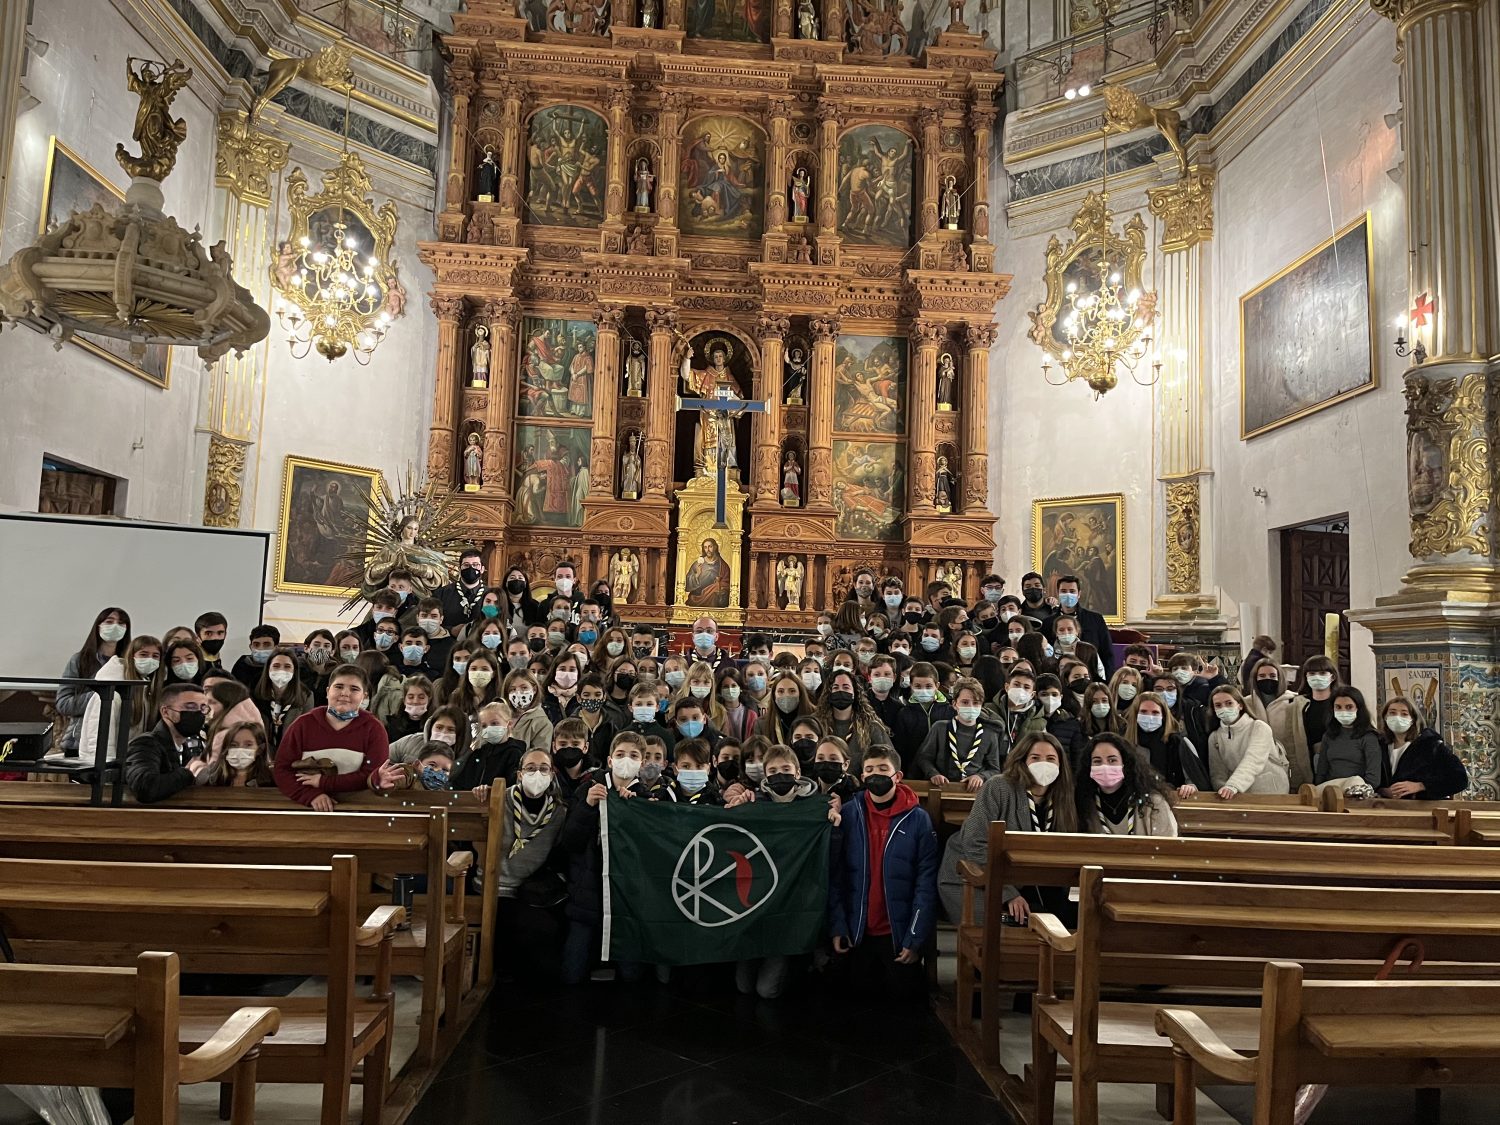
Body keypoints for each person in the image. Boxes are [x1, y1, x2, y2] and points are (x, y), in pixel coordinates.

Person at [828, 745, 938, 999]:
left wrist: (914, 937)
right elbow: (837, 876)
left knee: (904, 1003)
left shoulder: (918, 819)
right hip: (857, 930)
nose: (875, 775)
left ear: (897, 776)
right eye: (869, 770)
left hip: (896, 932)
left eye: (882, 769)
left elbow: (926, 882)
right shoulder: (849, 813)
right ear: (863, 777)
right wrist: (838, 926)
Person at [937, 733, 1077, 924]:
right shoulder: (999, 787)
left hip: (1031, 879)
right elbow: (974, 842)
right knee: (1012, 921)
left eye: (1051, 759)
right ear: (1022, 761)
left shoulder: (1063, 797)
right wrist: (1007, 893)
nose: (1043, 763)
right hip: (977, 875)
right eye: (1035, 758)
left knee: (1070, 918)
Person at [738, 744, 837, 999]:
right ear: (764, 774)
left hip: (790, 908)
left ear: (798, 771)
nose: (779, 774)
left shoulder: (814, 805)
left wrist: (834, 813)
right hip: (756, 905)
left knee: (766, 990)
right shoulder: (755, 802)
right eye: (772, 770)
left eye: (786, 769)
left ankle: (801, 966)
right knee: (743, 985)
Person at [560, 731, 651, 984]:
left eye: (633, 756)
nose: (626, 760)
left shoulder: (645, 798)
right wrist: (588, 807)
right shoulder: (587, 789)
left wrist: (635, 812)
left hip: (626, 899)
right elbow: (570, 841)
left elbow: (647, 851)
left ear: (642, 763)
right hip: (587, 893)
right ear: (609, 760)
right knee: (572, 972)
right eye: (620, 754)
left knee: (632, 976)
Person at [493, 746, 570, 978]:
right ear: (519, 774)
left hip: (530, 890)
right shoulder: (499, 799)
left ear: (552, 774)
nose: (537, 774)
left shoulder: (558, 812)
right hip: (496, 887)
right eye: (530, 768)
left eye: (543, 769)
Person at [273, 663, 392, 809]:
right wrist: (310, 795)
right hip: (306, 808)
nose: (345, 693)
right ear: (328, 691)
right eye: (339, 687)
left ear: (364, 696)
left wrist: (324, 782)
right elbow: (282, 770)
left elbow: (372, 774)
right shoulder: (303, 724)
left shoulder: (374, 729)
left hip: (358, 808)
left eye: (354, 689)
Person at [56, 608, 134, 755]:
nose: (115, 626)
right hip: (79, 742)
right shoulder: (80, 660)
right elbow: (63, 704)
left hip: (120, 741)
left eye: (121, 623)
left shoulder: (129, 664)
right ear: (98, 626)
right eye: (109, 622)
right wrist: (101, 696)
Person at [78, 632, 163, 767]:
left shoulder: (146, 690)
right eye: (143, 654)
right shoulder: (112, 692)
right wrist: (107, 768)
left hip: (131, 764)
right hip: (109, 767)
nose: (150, 659)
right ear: (131, 656)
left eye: (155, 656)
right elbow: (99, 735)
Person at [125, 682, 214, 803]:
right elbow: (145, 787)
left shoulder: (187, 747)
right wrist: (189, 772)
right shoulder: (145, 744)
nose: (198, 713)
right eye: (190, 707)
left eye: (203, 708)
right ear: (166, 712)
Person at [1076, 733, 1179, 835]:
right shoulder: (1084, 802)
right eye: (1097, 761)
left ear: (1125, 764)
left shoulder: (1153, 802)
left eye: (1112, 760)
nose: (1105, 766)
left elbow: (1168, 846)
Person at [913, 677, 1006, 789]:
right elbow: (924, 758)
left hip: (973, 792)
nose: (970, 707)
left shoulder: (989, 733)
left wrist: (981, 776)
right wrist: (933, 773)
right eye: (965, 702)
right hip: (942, 787)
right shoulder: (940, 728)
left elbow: (994, 769)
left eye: (976, 703)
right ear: (954, 704)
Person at [1265, 654, 1339, 791]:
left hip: (1338, 761)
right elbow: (1290, 739)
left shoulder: (1342, 702)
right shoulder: (1297, 705)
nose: (1317, 677)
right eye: (1312, 673)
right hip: (1308, 761)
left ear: (1332, 676)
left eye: (1322, 673)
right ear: (1306, 677)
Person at [1377, 696, 1467, 800]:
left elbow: (1460, 779)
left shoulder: (1430, 744)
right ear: (1385, 717)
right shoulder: (1379, 745)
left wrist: (1421, 786)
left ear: (1413, 719)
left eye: (1404, 714)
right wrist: (1383, 791)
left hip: (1423, 806)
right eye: (1392, 713)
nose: (1397, 717)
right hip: (1388, 808)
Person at [1207, 685, 1289, 799]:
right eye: (1218, 705)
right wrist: (1223, 791)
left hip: (1271, 792)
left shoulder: (1259, 727)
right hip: (1237, 796)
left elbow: (1253, 760)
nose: (1224, 708)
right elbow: (1217, 772)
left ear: (1240, 705)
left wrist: (1233, 785)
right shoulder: (1215, 737)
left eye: (1229, 703)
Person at [1123, 692, 1207, 799]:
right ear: (1135, 714)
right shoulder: (1124, 744)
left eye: (1155, 713)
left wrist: (1190, 787)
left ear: (1163, 716)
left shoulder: (1177, 742)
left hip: (1172, 801)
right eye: (1143, 712)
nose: (1150, 717)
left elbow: (1195, 779)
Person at [813, 668, 892, 771]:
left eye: (846, 687)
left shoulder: (871, 726)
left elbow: (890, 759)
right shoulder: (815, 724)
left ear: (855, 693)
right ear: (829, 693)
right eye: (835, 687)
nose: (840, 691)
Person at [1312, 686, 1382, 799]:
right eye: (1338, 707)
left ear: (1358, 709)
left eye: (1349, 707)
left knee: (1356, 781)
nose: (1343, 711)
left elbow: (1373, 779)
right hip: (1330, 792)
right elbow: (1321, 772)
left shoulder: (1369, 737)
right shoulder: (1328, 736)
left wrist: (1352, 792)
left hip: (1357, 794)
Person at [1043, 575, 1113, 676]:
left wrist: (1108, 682)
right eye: (1063, 591)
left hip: (1091, 676)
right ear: (1058, 593)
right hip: (1058, 677)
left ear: (1079, 594)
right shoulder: (1048, 623)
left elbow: (1107, 653)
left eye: (1072, 591)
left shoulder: (1095, 619)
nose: (1068, 594)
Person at [253, 647, 312, 749]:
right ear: (268, 669)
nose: (281, 670)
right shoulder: (254, 694)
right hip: (262, 753)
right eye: (276, 666)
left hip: (291, 753)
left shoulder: (306, 696)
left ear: (294, 670)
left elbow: (306, 732)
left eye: (287, 666)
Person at [892, 662, 952, 755]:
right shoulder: (904, 714)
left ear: (937, 686)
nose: (923, 690)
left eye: (928, 686)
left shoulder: (950, 710)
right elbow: (901, 748)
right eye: (918, 686)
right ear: (911, 686)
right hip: (914, 765)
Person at [201, 720, 275, 787]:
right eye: (233, 745)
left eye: (248, 745)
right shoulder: (208, 776)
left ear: (260, 749)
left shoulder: (273, 779)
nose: (240, 749)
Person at [437, 547, 488, 631]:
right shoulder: (442, 594)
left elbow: (499, 622)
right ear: (459, 569)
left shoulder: (492, 595)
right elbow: (432, 622)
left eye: (475, 565)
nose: (471, 568)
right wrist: (450, 630)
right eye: (466, 565)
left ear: (482, 569)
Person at [503, 669, 554, 750]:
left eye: (524, 688)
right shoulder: (499, 715)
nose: (518, 692)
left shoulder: (543, 723)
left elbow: (539, 757)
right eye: (513, 689)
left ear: (534, 689)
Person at [999, 667, 1047, 748]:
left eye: (1026, 687)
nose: (1020, 689)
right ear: (1007, 687)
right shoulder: (991, 710)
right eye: (1016, 685)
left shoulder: (1039, 723)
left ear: (1032, 694)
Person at [385, 674, 435, 743]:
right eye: (411, 697)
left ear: (429, 699)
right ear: (404, 700)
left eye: (421, 697)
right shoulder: (392, 725)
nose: (415, 701)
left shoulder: (435, 725)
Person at [231, 624, 280, 690]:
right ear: (250, 647)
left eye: (267, 645)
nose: (261, 648)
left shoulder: (283, 667)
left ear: (276, 648)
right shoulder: (241, 666)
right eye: (256, 644)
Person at [716, 666, 758, 741]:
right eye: (725, 687)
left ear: (740, 688)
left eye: (734, 686)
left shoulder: (751, 715)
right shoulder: (716, 713)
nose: (730, 689)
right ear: (720, 690)